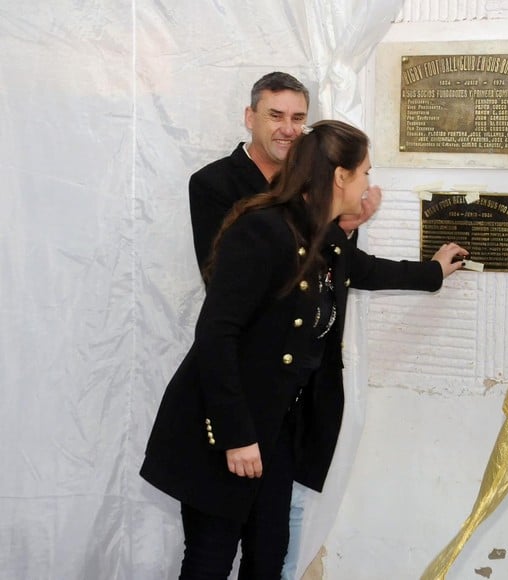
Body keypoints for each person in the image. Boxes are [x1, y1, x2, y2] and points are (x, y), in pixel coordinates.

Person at [141, 119, 468, 579]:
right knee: (209, 562)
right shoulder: (262, 230)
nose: (369, 184)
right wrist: (236, 436)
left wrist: (432, 274)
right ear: (340, 176)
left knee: (268, 557)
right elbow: (216, 335)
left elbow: (364, 270)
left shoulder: (320, 235)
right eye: (366, 172)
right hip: (223, 430)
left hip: (274, 432)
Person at [188, 71, 379, 271]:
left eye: (297, 118)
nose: (288, 130)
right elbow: (219, 276)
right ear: (250, 118)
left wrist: (344, 230)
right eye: (276, 116)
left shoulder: (315, 176)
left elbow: (342, 271)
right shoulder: (212, 183)